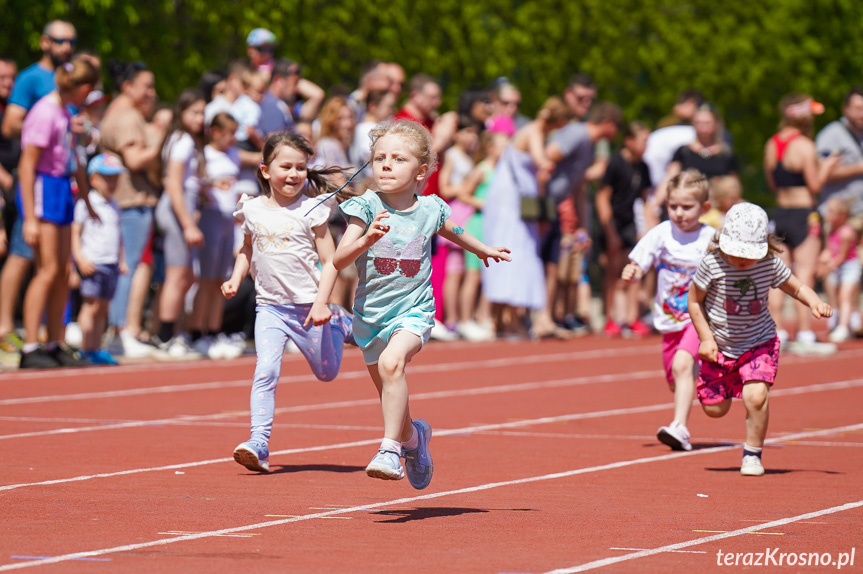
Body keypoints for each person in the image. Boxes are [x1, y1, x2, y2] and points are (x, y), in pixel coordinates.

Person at [334, 119, 510, 488]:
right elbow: (339, 259)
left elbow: (455, 232)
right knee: (391, 392)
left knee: (392, 362)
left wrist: (484, 251)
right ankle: (414, 440)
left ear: (422, 171)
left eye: (398, 159)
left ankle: (388, 450)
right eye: (380, 157)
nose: (386, 165)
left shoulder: (431, 208)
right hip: (370, 316)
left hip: (414, 310)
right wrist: (367, 239)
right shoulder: (364, 206)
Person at [222, 132, 355, 473]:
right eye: (286, 166)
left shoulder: (312, 210)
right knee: (265, 371)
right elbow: (247, 248)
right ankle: (258, 442)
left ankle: (341, 322)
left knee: (327, 373)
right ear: (266, 170)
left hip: (311, 309)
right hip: (270, 309)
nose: (294, 174)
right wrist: (237, 278)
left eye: (301, 167)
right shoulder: (249, 208)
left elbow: (331, 261)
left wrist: (323, 304)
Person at [688, 202, 832, 476]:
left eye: (749, 255)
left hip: (759, 342)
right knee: (715, 410)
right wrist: (705, 338)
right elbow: (694, 302)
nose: (742, 261)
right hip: (719, 345)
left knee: (756, 396)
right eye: (736, 254)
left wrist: (813, 301)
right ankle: (719, 386)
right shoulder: (712, 264)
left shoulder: (768, 263)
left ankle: (752, 453)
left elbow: (796, 286)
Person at [622, 169, 715, 451]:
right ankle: (706, 382)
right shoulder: (662, 233)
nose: (679, 213)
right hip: (669, 320)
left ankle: (680, 428)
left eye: (687, 207)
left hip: (699, 318)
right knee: (676, 380)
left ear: (704, 208)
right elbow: (641, 261)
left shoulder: (711, 238)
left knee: (682, 365)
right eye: (673, 206)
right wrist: (633, 271)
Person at [18, 57, 99, 369]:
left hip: (63, 188)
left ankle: (55, 341)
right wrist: (29, 218)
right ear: (83, 87)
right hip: (45, 189)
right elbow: (27, 165)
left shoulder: (66, 113)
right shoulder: (45, 112)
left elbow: (72, 159)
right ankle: (29, 346)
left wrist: (88, 202)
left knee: (64, 271)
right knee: (47, 270)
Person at [764, 94, 839, 351]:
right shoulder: (805, 145)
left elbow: (772, 183)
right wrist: (827, 166)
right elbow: (815, 185)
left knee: (777, 275)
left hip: (780, 213)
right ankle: (805, 332)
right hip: (803, 214)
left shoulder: (771, 144)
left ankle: (779, 331)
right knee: (803, 273)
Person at [100, 61, 163, 358]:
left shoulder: (118, 112)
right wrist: (162, 137)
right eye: (146, 86)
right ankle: (120, 331)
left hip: (131, 200)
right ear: (128, 87)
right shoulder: (126, 117)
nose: (152, 93)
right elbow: (135, 160)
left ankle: (122, 329)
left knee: (130, 265)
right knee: (129, 266)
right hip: (131, 200)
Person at [187, 112, 245, 359]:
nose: (233, 138)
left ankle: (214, 330)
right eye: (229, 133)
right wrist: (212, 184)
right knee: (207, 278)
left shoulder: (233, 154)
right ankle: (197, 332)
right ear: (215, 132)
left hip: (228, 219)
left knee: (221, 278)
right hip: (210, 215)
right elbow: (195, 181)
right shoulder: (204, 154)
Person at [154, 89, 206, 357]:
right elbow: (174, 184)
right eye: (194, 113)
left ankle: (170, 332)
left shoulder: (181, 140)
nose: (200, 118)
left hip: (180, 208)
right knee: (177, 275)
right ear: (181, 113)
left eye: (202, 113)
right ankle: (164, 338)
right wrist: (188, 224)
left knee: (184, 275)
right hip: (176, 210)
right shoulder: (183, 140)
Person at [596, 121, 653, 338]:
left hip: (632, 223)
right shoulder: (616, 163)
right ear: (629, 141)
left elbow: (646, 199)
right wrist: (609, 231)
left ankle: (632, 317)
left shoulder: (643, 166)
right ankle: (611, 317)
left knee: (634, 270)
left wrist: (648, 228)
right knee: (613, 271)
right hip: (614, 222)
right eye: (643, 140)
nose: (646, 145)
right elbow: (602, 197)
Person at [71, 153, 127, 365]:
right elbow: (75, 232)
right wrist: (79, 258)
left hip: (110, 263)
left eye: (115, 178)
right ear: (93, 179)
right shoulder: (86, 204)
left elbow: (118, 235)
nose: (112, 183)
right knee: (91, 306)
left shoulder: (115, 206)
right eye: (107, 178)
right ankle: (86, 348)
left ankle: (96, 347)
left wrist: (121, 260)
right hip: (93, 262)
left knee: (103, 307)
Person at [455, 130, 510, 340]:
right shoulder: (482, 169)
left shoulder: (504, 171)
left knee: (490, 274)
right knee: (473, 273)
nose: (507, 151)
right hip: (478, 224)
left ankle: (483, 317)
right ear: (490, 148)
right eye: (502, 146)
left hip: (495, 226)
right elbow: (463, 194)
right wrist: (484, 204)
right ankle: (465, 320)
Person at [438, 116, 481, 337]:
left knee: (466, 270)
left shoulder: (470, 157)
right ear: (457, 134)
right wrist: (466, 186)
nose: (472, 137)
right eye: (467, 132)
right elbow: (444, 188)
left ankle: (466, 318)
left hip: (469, 215)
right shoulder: (452, 156)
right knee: (454, 270)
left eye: (474, 133)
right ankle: (452, 319)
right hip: (457, 213)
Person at [2, 20, 76, 140]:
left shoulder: (73, 78)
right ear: (45, 42)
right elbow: (9, 127)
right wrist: (51, 127)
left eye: (72, 42)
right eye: (60, 41)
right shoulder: (29, 77)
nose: (67, 47)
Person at [816, 87, 863, 223]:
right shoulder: (831, 134)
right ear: (846, 109)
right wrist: (858, 168)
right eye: (858, 109)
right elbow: (820, 174)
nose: (862, 114)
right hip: (837, 217)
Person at [817, 196, 860, 343]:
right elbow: (829, 250)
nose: (827, 215)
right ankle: (847, 321)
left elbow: (842, 257)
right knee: (835, 296)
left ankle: (843, 327)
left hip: (849, 267)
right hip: (836, 267)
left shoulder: (847, 233)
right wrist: (821, 261)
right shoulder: (830, 230)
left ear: (842, 216)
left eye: (831, 212)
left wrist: (827, 267)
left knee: (845, 296)